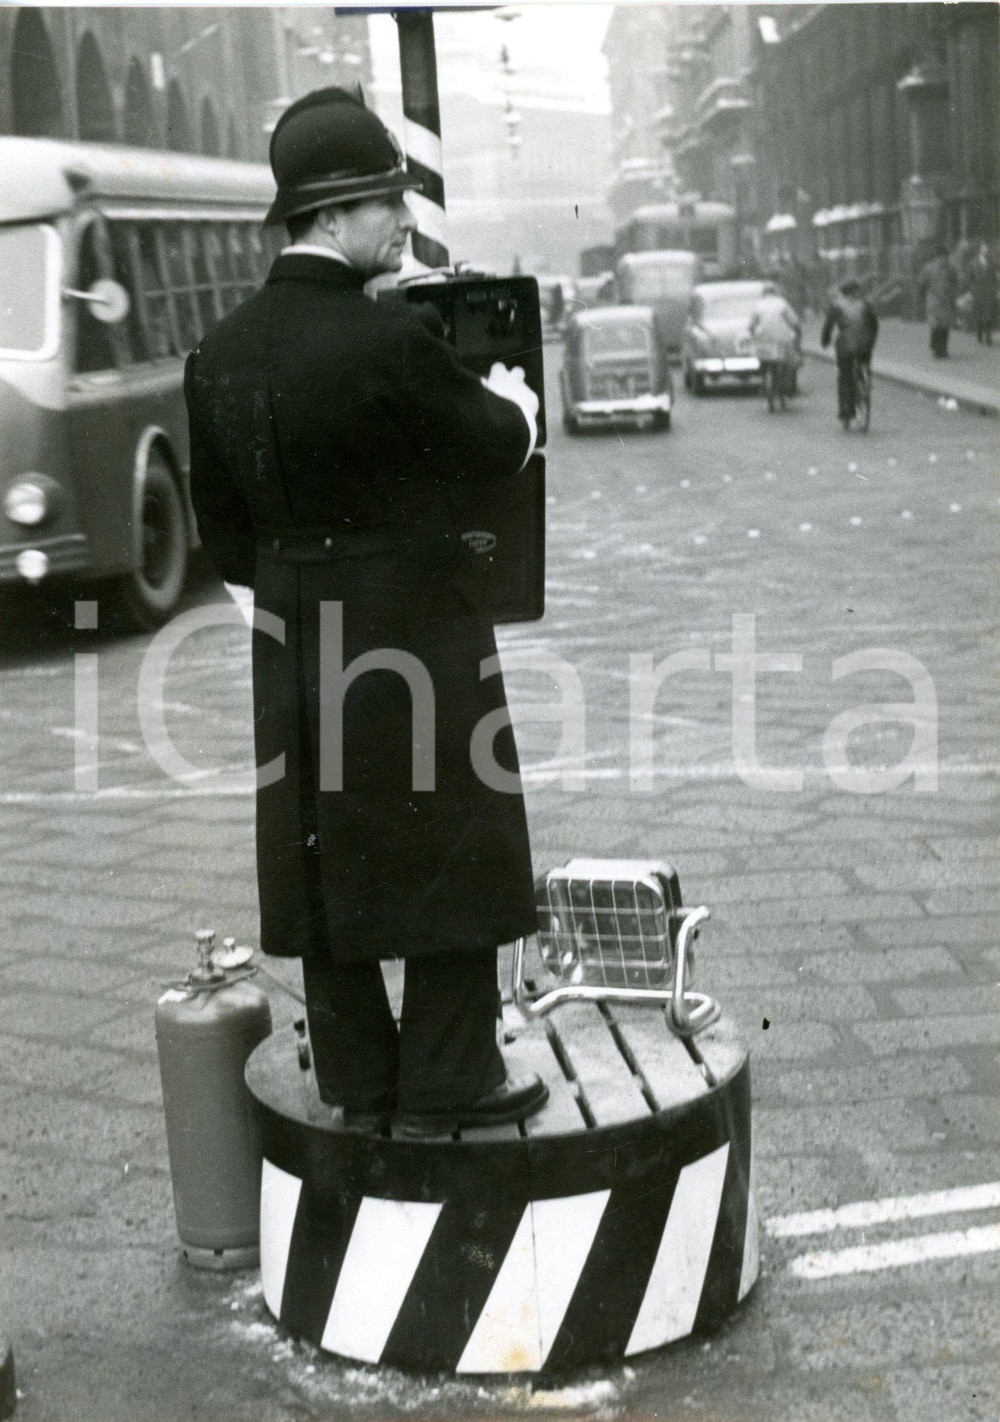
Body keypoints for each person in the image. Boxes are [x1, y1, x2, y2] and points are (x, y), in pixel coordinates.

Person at [183, 87, 547, 1139]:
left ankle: (352, 1067)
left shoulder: (221, 353)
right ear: (335, 216)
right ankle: (449, 1075)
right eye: (388, 198)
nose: (402, 218)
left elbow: (225, 531)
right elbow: (488, 447)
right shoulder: (388, 344)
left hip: (291, 628)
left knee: (318, 847)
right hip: (413, 628)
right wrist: (517, 402)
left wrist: (294, 590)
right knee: (452, 836)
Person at [820, 279, 878, 424]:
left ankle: (846, 410)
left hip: (845, 346)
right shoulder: (865, 304)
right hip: (864, 345)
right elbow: (874, 324)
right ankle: (865, 380)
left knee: (844, 376)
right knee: (864, 362)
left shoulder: (836, 306)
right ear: (856, 291)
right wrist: (871, 341)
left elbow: (828, 326)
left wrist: (825, 341)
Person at [749, 281, 801, 396]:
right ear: (775, 292)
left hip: (764, 338)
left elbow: (752, 325)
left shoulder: (758, 305)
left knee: (762, 359)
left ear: (763, 293)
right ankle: (788, 386)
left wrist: (752, 333)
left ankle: (763, 383)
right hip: (782, 337)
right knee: (788, 361)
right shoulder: (782, 303)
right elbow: (794, 321)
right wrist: (797, 330)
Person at [922, 247, 958, 358]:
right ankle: (936, 349)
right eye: (942, 257)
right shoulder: (928, 268)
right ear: (937, 257)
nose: (944, 259)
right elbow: (923, 284)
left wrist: (952, 297)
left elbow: (954, 283)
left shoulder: (951, 269)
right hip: (934, 301)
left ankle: (943, 349)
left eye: (946, 257)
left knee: (945, 326)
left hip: (946, 301)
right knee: (935, 326)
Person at [967, 243, 997, 345]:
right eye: (984, 249)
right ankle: (979, 332)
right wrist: (972, 290)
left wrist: (995, 290)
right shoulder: (973, 263)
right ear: (980, 250)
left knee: (988, 314)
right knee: (979, 313)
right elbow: (970, 278)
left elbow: (994, 278)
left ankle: (988, 336)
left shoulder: (992, 263)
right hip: (978, 291)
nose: (986, 251)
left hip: (989, 291)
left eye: (987, 250)